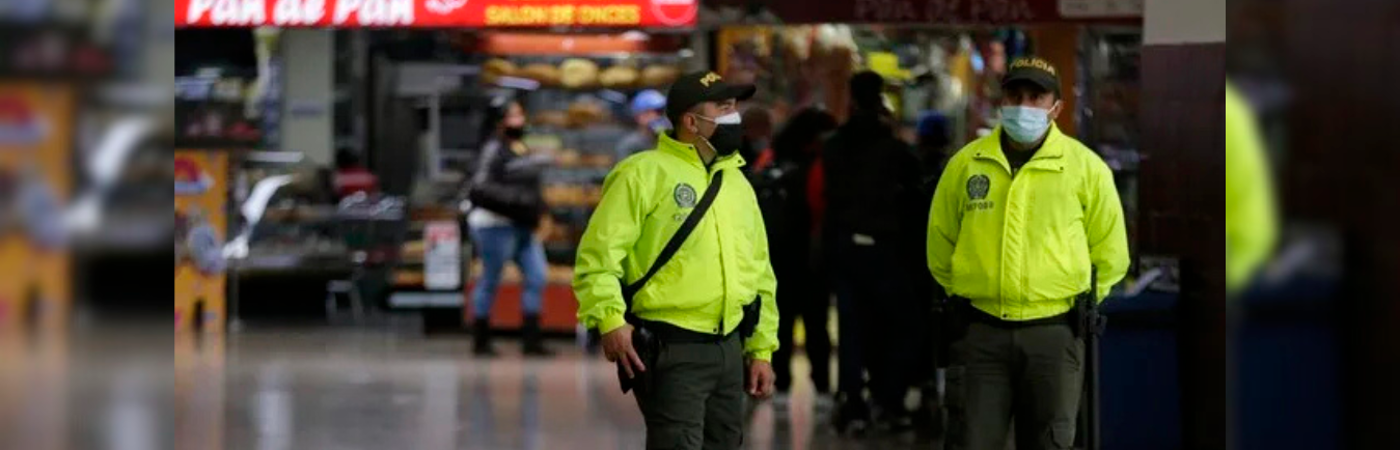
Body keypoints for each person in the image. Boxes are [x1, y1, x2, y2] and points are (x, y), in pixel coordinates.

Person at [926, 57, 1130, 450]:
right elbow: (940, 244)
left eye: (1036, 97)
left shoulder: (1086, 169)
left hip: (1054, 336)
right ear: (1001, 101)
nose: (1024, 106)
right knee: (970, 440)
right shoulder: (966, 165)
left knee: (1050, 442)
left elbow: (1111, 253)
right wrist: (976, 288)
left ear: (1056, 107)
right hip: (980, 335)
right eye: (1015, 96)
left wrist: (1072, 299)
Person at [573, 71, 779, 450]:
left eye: (734, 107)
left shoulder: (736, 182)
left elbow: (760, 272)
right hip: (672, 347)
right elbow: (597, 257)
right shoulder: (641, 174)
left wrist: (761, 349)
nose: (734, 117)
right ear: (691, 122)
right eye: (723, 108)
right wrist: (609, 319)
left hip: (730, 348)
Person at [822, 71, 926, 434]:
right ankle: (889, 397)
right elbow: (914, 189)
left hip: (845, 247)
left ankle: (853, 402)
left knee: (851, 329)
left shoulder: (833, 145)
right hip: (884, 249)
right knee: (901, 324)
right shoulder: (892, 148)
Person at [752, 107, 838, 409]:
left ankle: (782, 387)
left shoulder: (769, 159)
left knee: (780, 324)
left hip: (776, 259)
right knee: (816, 326)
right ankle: (822, 389)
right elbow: (821, 208)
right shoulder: (818, 164)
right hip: (810, 260)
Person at [466, 95, 554, 357]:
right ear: (499, 121)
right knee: (491, 278)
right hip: (495, 226)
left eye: (520, 115)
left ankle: (531, 339)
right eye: (513, 115)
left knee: (537, 276)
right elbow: (480, 187)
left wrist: (538, 209)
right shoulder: (493, 149)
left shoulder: (520, 147)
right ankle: (481, 339)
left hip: (523, 225)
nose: (520, 120)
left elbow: (530, 186)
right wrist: (519, 201)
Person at [616, 89, 669, 161]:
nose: (658, 117)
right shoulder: (630, 145)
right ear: (639, 116)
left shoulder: (667, 139)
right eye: (651, 112)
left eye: (660, 112)